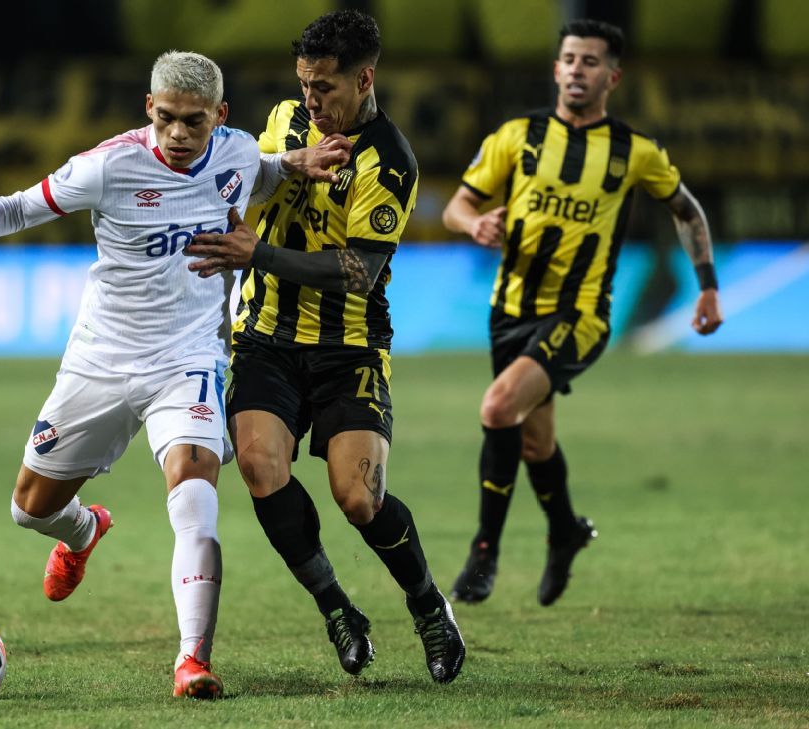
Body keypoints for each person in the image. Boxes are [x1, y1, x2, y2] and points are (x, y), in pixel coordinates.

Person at [0, 51, 348, 699]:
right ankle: (84, 529)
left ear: (220, 116)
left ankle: (193, 659)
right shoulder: (107, 166)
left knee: (194, 489)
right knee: (29, 509)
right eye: (167, 119)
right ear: (148, 109)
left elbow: (263, 171)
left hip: (188, 359)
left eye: (195, 121)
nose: (180, 134)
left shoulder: (238, 155)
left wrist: (294, 163)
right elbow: (20, 208)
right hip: (100, 359)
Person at [186, 10, 465, 684]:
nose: (313, 100)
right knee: (257, 465)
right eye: (305, 85)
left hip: (348, 348)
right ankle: (338, 607)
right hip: (266, 339)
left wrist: (259, 252)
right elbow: (231, 178)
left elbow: (359, 273)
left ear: (364, 79)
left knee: (358, 498)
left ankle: (429, 605)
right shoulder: (282, 123)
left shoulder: (389, 161)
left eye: (326, 88)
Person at [440, 20, 724, 607]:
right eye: (569, 59)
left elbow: (688, 211)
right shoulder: (517, 137)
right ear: (555, 69)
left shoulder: (633, 152)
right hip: (510, 312)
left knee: (497, 408)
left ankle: (484, 552)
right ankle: (565, 531)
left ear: (612, 77)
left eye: (590, 62)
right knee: (536, 444)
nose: (576, 69)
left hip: (581, 314)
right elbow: (458, 207)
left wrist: (708, 287)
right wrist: (476, 224)